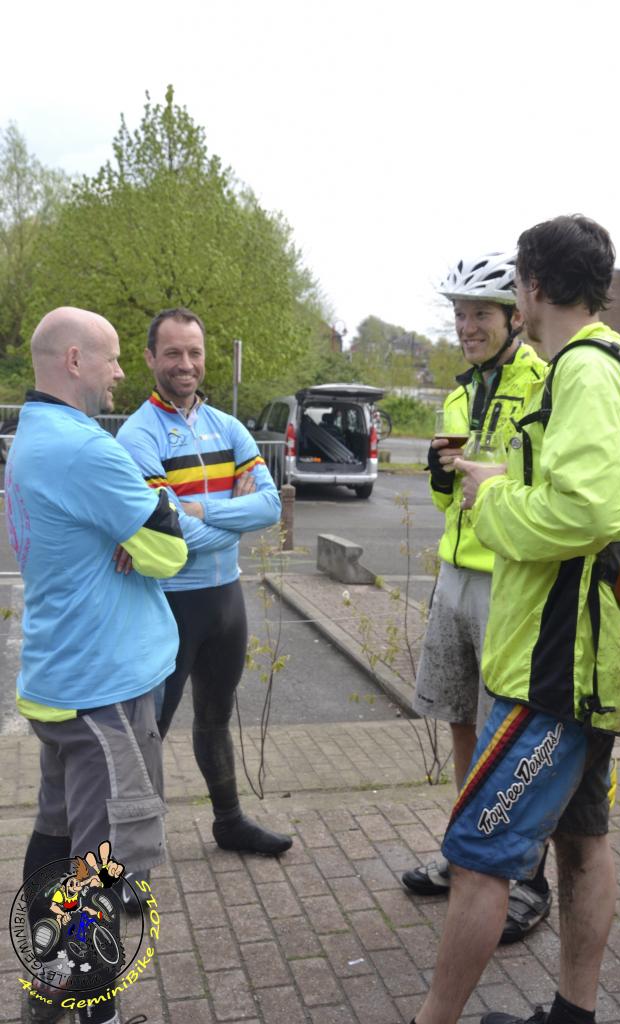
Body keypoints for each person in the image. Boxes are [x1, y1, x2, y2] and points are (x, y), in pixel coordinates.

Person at [409, 214, 620, 1024]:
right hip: (591, 662)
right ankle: (571, 1014)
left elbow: (584, 512)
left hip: (554, 672)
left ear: (534, 287)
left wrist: (494, 499)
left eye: (515, 283)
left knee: (478, 859)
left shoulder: (582, 370)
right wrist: (500, 474)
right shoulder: (619, 361)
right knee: (583, 847)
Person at [5, 307, 188, 1024]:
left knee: (58, 838)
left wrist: (143, 521)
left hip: (62, 683)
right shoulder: (87, 451)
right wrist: (155, 512)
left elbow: (147, 534)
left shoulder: (33, 437)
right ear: (74, 360)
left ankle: (46, 991)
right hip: (105, 692)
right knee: (104, 865)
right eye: (112, 359)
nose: (122, 372)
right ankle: (95, 1012)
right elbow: (170, 548)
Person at [401, 253, 551, 944]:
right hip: (454, 573)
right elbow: (447, 502)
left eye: (480, 314)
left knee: (510, 733)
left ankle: (526, 879)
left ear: (514, 316)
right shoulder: (459, 394)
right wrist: (439, 475)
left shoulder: (543, 383)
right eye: (459, 314)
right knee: (461, 718)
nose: (467, 326)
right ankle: (467, 856)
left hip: (509, 579)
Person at [117, 308, 290, 859]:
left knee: (215, 717)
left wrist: (198, 509)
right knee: (150, 732)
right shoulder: (137, 434)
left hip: (226, 601)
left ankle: (230, 822)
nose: (185, 364)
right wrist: (220, 520)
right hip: (167, 604)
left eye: (194, 352)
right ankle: (122, 855)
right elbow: (170, 535)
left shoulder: (229, 427)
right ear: (150, 358)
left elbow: (269, 509)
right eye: (173, 353)